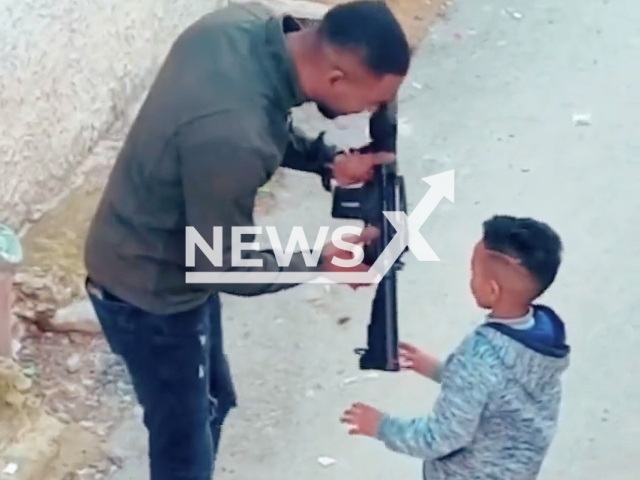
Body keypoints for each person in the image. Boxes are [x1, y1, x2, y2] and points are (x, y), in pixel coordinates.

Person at [83, 1, 411, 480]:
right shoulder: (235, 136)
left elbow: (258, 115)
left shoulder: (237, 25)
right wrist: (324, 260)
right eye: (371, 100)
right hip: (149, 291)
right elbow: (226, 265)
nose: (371, 112)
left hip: (155, 251)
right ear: (337, 78)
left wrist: (326, 161)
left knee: (216, 402)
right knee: (184, 450)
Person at [341, 214, 570, 480]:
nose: (471, 279)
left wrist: (382, 426)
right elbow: (501, 390)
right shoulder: (544, 338)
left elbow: (440, 438)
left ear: (493, 290)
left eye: (474, 273)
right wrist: (438, 369)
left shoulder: (479, 357)